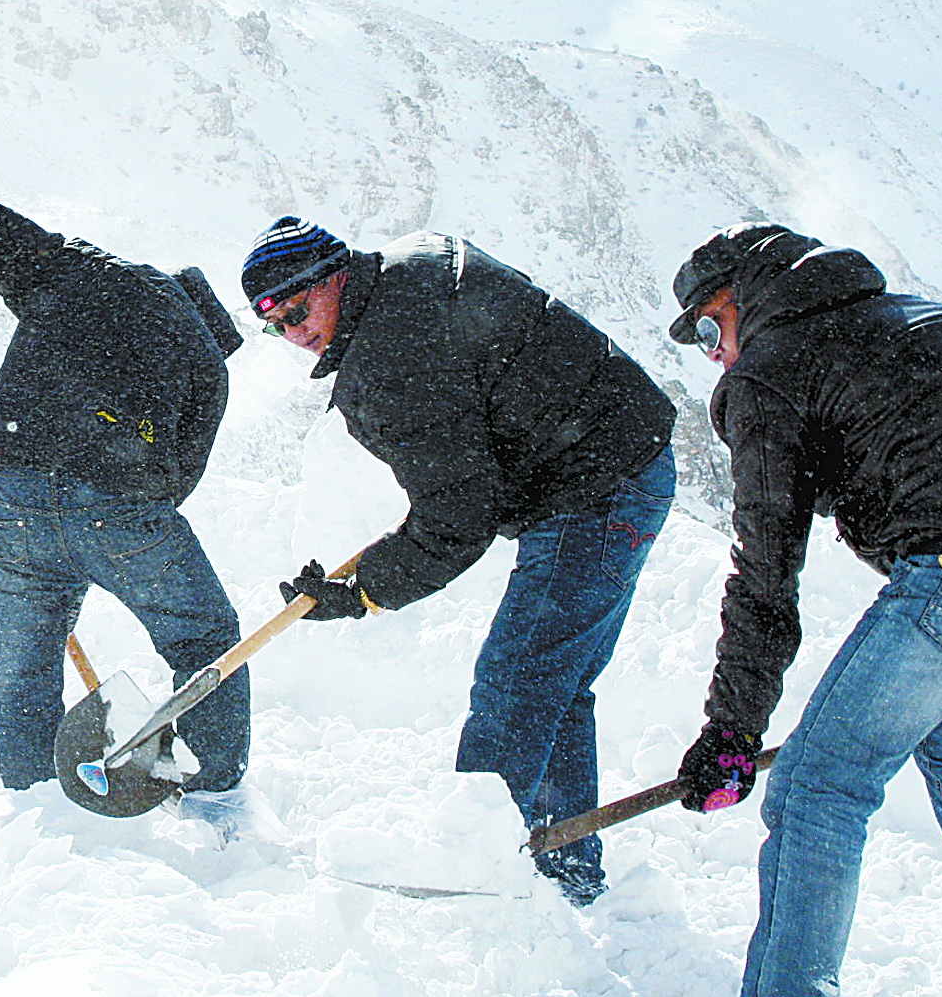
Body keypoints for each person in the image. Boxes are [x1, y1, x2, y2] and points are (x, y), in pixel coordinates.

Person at [243, 216, 675, 904]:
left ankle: (476, 876)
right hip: (624, 453)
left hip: (591, 484)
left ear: (337, 275)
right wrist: (366, 580)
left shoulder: (387, 358)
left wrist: (364, 593)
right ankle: (564, 869)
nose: (294, 333)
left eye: (297, 309)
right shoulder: (411, 272)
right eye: (276, 326)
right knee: (553, 682)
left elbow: (458, 515)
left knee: (518, 678)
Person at [664, 223, 942, 996]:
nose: (714, 354)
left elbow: (766, 573)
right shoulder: (917, 317)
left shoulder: (769, 374)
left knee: (816, 789)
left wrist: (733, 732)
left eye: (707, 327)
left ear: (747, 295)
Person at [0, 202, 245, 794]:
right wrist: (117, 517)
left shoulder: (79, 272)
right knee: (203, 635)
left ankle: (35, 803)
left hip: (10, 489)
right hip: (119, 506)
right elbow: (181, 475)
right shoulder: (204, 356)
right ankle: (218, 790)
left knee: (20, 673)